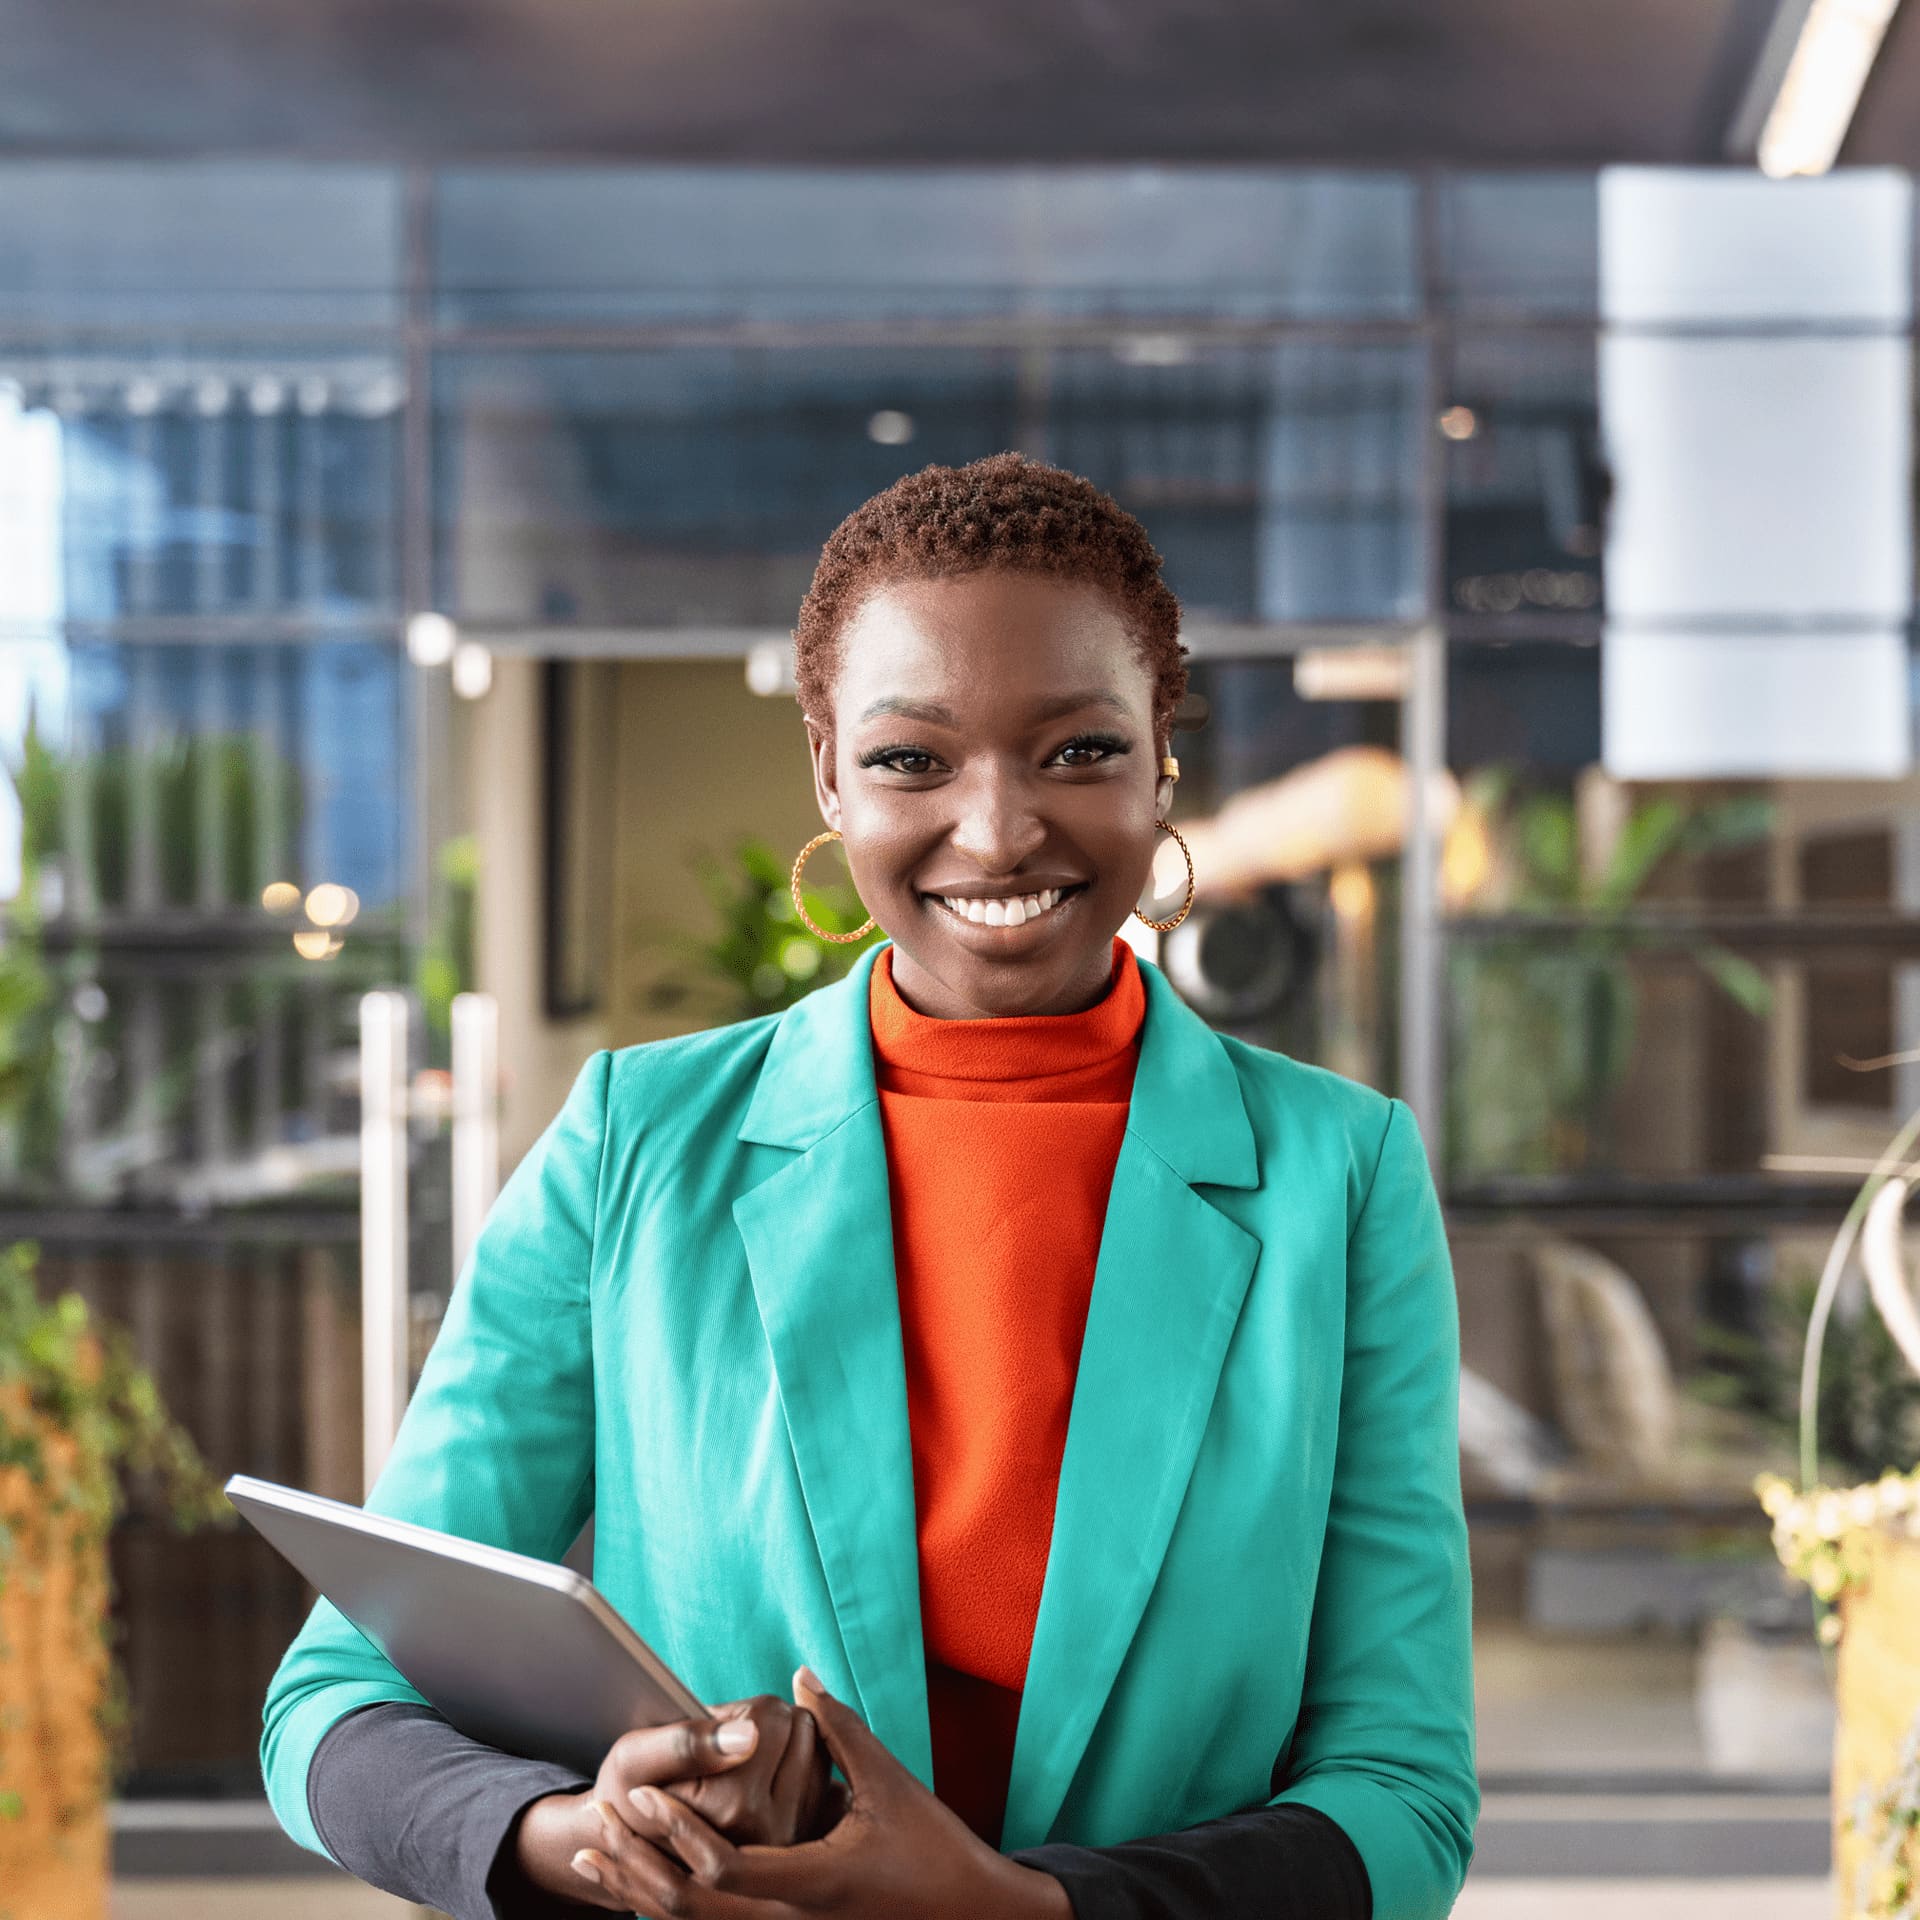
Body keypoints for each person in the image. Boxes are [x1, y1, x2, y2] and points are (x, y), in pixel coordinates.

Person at [260, 452, 1478, 1920]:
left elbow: (1401, 1797)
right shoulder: (636, 1144)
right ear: (831, 775)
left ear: (1163, 759)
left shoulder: (1337, 1180)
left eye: (1078, 750)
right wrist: (575, 1836)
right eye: (914, 759)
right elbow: (332, 1701)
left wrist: (1019, 1909)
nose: (1000, 829)